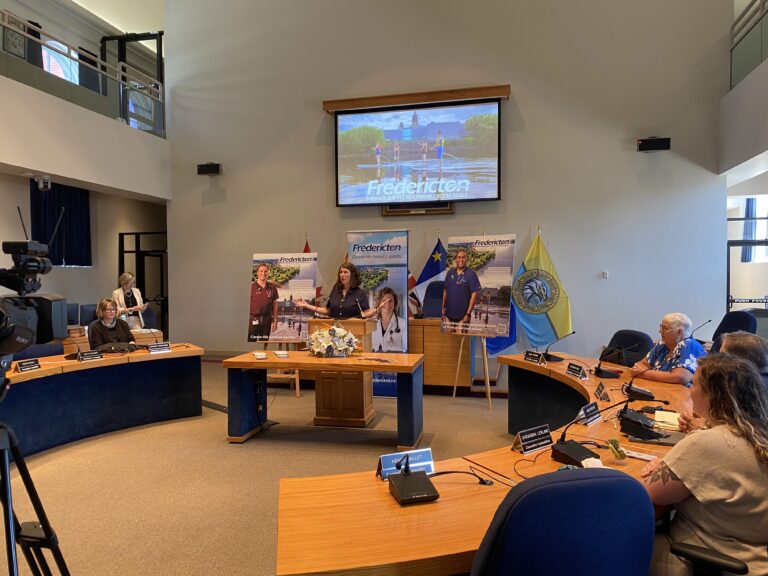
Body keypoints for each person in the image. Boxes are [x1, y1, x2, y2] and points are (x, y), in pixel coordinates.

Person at [641, 354, 768, 576]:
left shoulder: (711, 442)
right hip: (753, 556)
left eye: (694, 384)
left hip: (701, 557)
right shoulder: (757, 431)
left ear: (713, 396)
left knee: (617, 544)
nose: (690, 389)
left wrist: (658, 464)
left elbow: (651, 493)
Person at [679, 330, 768, 432]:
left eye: (721, 356)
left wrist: (710, 427)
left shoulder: (753, 390)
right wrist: (703, 417)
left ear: (734, 362)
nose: (715, 361)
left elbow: (752, 434)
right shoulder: (740, 382)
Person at [629, 313, 706, 386]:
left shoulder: (689, 345)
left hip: (681, 395)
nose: (660, 331)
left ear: (679, 332)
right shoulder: (663, 344)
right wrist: (642, 372)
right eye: (661, 327)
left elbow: (681, 377)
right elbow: (642, 365)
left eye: (664, 328)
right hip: (659, 388)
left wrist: (643, 374)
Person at [295, 262, 380, 320]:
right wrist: (307, 305)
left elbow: (366, 313)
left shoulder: (360, 293)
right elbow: (328, 311)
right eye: (341, 272)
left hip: (353, 333)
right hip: (334, 331)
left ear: (353, 275)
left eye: (345, 272)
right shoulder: (336, 290)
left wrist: (376, 310)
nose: (342, 275)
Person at [442, 249, 481, 333]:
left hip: (463, 317)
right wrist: (442, 309)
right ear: (456, 259)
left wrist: (468, 314)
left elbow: (474, 294)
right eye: (459, 257)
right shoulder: (450, 273)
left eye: (463, 257)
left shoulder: (471, 274)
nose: (461, 260)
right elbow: (445, 291)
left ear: (466, 259)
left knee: (461, 343)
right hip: (448, 316)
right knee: (447, 343)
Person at [248, 263, 280, 341]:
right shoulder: (251, 287)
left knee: (264, 343)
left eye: (265, 271)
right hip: (253, 319)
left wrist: (275, 321)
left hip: (266, 320)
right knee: (250, 342)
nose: (263, 273)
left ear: (268, 273)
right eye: (261, 271)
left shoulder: (272, 287)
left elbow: (275, 305)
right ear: (257, 272)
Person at [371, 287, 405, 352]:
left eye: (390, 301)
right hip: (374, 359)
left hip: (396, 359)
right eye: (384, 301)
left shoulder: (403, 323)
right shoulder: (371, 323)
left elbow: (405, 349)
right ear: (379, 303)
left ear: (395, 304)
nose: (387, 304)